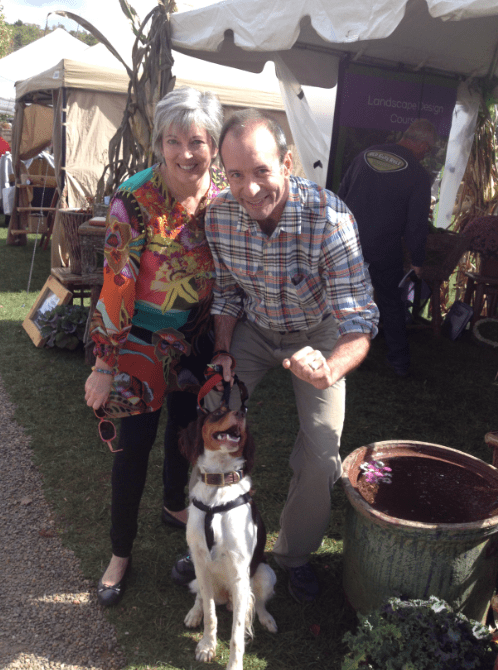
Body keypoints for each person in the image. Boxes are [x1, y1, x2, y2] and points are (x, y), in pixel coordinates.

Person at [173, 109, 379, 604]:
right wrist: (223, 349)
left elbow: (360, 320)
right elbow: (225, 292)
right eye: (236, 175)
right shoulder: (220, 215)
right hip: (255, 331)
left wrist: (330, 367)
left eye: (262, 171)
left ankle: (293, 554)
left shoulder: (329, 218)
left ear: (288, 163)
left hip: (319, 334)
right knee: (209, 415)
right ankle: (207, 537)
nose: (249, 189)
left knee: (321, 451)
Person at [84, 87, 227, 607]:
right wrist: (104, 363)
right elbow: (117, 283)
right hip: (140, 341)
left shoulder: (222, 197)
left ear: (214, 144)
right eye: (173, 141)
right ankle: (120, 553)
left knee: (186, 433)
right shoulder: (135, 199)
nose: (185, 153)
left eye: (197, 141)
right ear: (159, 143)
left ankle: (173, 504)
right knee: (134, 446)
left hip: (197, 338)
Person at [338, 119, 438, 377]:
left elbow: (341, 194)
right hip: (383, 247)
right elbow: (417, 223)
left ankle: (337, 355)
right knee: (391, 303)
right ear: (421, 143)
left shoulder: (364, 155)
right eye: (427, 149)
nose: (426, 154)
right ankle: (399, 362)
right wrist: (418, 259)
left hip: (347, 242)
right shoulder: (417, 173)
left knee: (343, 300)